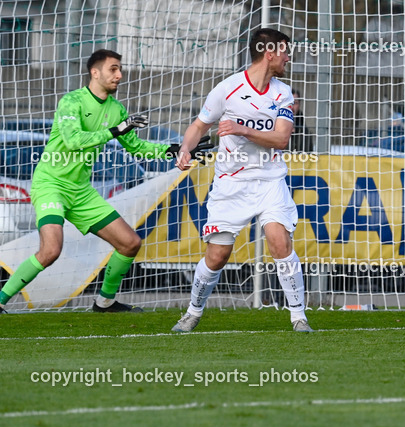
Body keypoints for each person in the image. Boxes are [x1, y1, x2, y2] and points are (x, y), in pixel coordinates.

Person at [0, 49, 209, 314]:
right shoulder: (71, 101)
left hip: (81, 192)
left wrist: (176, 149)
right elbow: (73, 140)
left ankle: (105, 302)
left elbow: (136, 148)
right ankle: (1, 299)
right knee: (51, 249)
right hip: (51, 184)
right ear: (95, 72)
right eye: (113, 69)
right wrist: (115, 130)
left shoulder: (116, 109)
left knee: (130, 243)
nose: (119, 75)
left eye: (120, 69)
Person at [170, 28, 313, 333]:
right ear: (269, 52)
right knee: (218, 255)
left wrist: (242, 129)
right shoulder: (227, 89)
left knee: (278, 241)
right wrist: (185, 148)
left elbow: (281, 138)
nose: (289, 57)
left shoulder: (282, 92)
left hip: (269, 180)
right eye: (285, 51)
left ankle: (298, 317)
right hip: (231, 184)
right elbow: (198, 126)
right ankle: (193, 311)